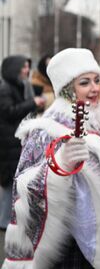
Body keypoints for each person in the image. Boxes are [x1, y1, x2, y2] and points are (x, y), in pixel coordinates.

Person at [2, 48, 100, 268]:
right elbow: (25, 191)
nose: (95, 89)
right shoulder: (46, 129)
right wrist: (59, 166)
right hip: (69, 245)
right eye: (85, 83)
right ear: (66, 89)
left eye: (97, 80)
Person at [0, 56, 45, 231]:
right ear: (14, 69)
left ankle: (8, 220)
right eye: (24, 67)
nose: (27, 70)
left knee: (14, 181)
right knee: (9, 183)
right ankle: (4, 222)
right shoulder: (5, 89)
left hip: (14, 142)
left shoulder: (19, 86)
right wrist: (32, 103)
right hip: (8, 142)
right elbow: (9, 111)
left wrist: (34, 105)